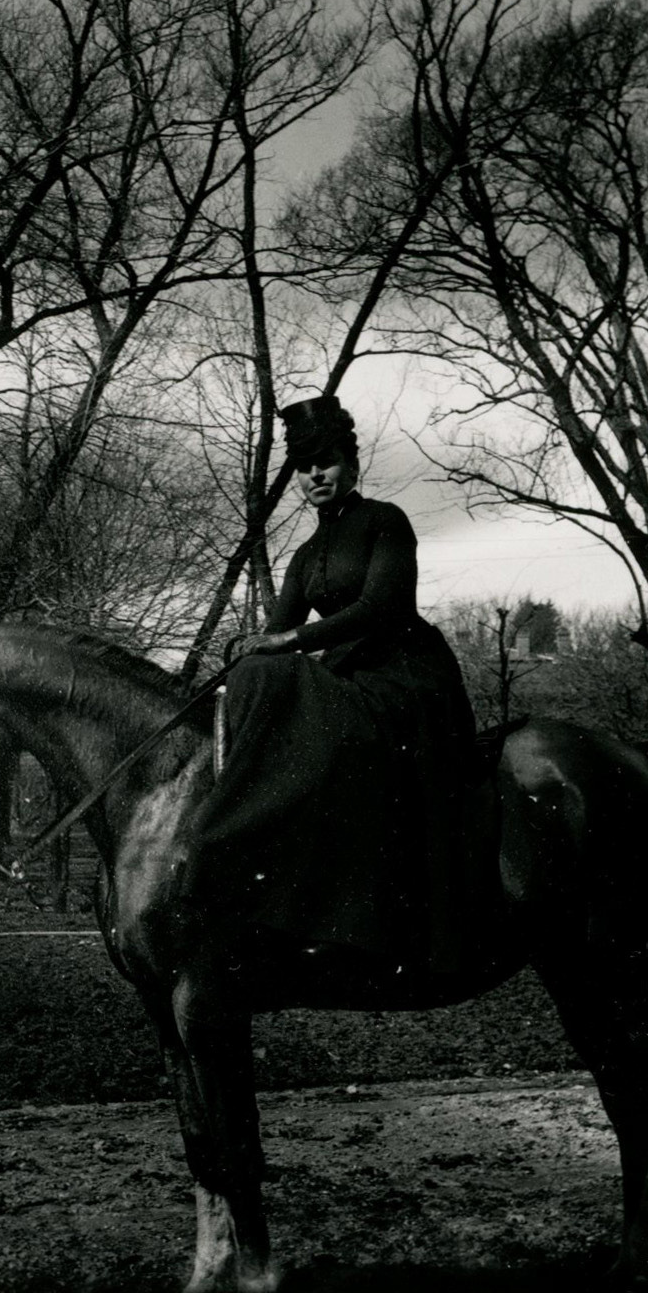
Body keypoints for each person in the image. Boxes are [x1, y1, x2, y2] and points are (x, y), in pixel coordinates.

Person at [194, 395, 476, 966]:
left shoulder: (385, 522)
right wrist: (236, 669)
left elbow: (381, 608)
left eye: (325, 461)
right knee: (264, 688)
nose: (314, 475)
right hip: (347, 678)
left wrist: (288, 643)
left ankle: (374, 916)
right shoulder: (303, 555)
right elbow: (276, 635)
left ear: (351, 464)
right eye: (304, 467)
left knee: (339, 744)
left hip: (406, 675)